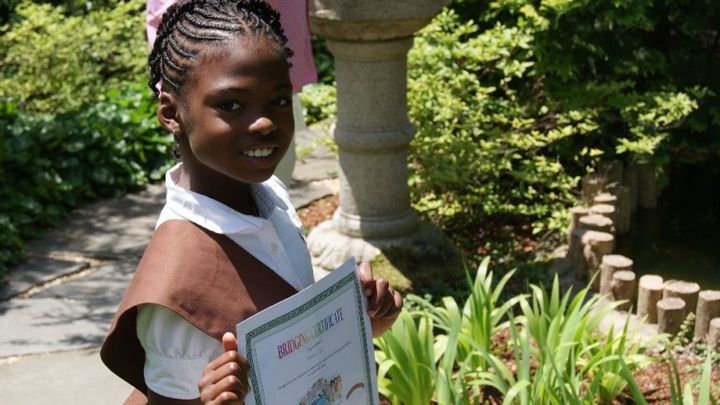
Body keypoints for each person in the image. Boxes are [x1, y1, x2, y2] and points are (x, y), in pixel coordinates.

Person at [100, 1, 403, 404]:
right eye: (231, 105)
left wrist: (359, 324)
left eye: (279, 100)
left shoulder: (272, 197)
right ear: (171, 113)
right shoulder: (176, 286)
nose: (264, 123)